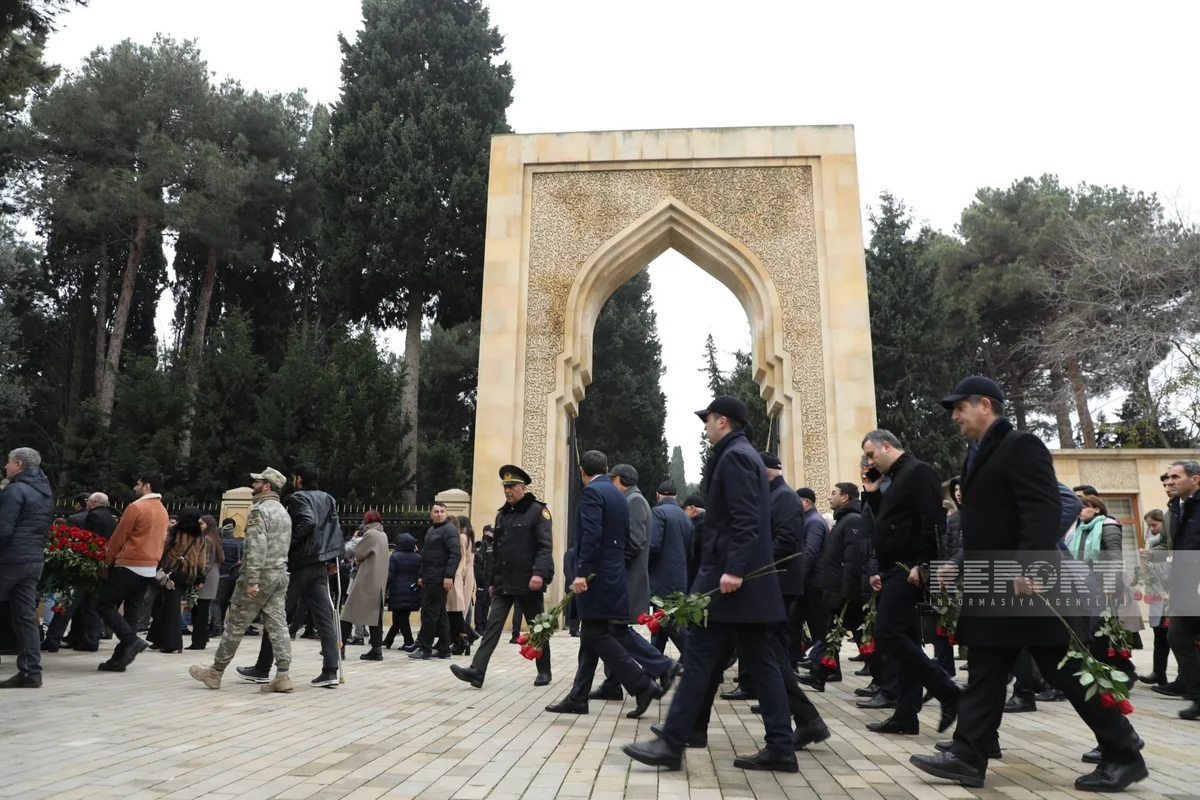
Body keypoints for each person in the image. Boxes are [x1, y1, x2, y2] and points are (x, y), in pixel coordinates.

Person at [908, 376, 1147, 792]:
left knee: (1065, 669)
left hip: (1024, 580)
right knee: (985, 666)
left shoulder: (1021, 445)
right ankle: (969, 754)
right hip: (992, 579)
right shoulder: (976, 453)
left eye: (960, 407)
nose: (954, 416)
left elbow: (1044, 507)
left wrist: (1033, 566)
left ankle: (1123, 752)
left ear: (985, 404)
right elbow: (988, 524)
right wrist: (961, 567)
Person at [624, 397, 800, 773]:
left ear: (724, 421)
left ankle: (672, 743)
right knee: (760, 662)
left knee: (701, 657)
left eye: (708, 420)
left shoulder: (735, 456)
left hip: (732, 583)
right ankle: (781, 746)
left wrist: (734, 569)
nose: (705, 426)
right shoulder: (744, 454)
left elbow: (745, 517)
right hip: (742, 585)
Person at [545, 450, 664, 717]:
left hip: (596, 576)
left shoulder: (592, 493)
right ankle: (578, 697)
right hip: (613, 573)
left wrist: (580, 573)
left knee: (598, 635)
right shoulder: (619, 495)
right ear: (606, 467)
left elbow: (591, 535)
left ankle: (642, 684)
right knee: (591, 634)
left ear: (581, 471)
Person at [860, 429, 959, 737]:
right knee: (904, 640)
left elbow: (932, 521)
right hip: (895, 569)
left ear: (886, 446)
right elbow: (892, 524)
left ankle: (949, 691)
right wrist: (873, 493)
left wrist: (925, 565)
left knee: (887, 635)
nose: (869, 461)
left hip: (908, 570)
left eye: (872, 454)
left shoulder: (919, 472)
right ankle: (906, 714)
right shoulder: (895, 479)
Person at [190, 468, 294, 693]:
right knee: (278, 625)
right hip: (279, 574)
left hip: (260, 574)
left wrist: (253, 579)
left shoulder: (259, 511)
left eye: (257, 482)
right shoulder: (284, 513)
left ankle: (215, 673)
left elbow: (257, 546)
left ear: (266, 486)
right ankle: (283, 675)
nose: (253, 485)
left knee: (236, 624)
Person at [242, 464, 343, 689]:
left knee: (275, 614)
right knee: (325, 619)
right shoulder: (328, 498)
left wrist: (289, 543)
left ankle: (262, 667)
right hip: (320, 564)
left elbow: (308, 522)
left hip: (300, 564)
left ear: (298, 479)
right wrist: (333, 556)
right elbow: (334, 528)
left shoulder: (298, 498)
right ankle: (330, 670)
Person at [451, 465, 553, 687]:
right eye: (505, 487)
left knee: (538, 627)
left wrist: (538, 574)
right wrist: (493, 581)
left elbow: (545, 547)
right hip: (505, 581)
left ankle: (544, 670)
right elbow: (497, 551)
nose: (508, 491)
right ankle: (477, 671)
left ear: (523, 488)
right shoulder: (502, 515)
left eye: (512, 486)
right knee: (493, 625)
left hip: (529, 581)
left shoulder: (538, 512)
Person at [588, 465, 681, 705]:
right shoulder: (629, 500)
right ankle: (612, 684)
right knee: (610, 629)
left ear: (619, 480)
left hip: (626, 579)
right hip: (622, 577)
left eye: (612, 481)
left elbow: (635, 543)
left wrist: (609, 562)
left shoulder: (635, 501)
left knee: (616, 629)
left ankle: (662, 666)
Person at [96, 472, 170, 673]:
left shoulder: (136, 507)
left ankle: (131, 640)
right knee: (132, 614)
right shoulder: (163, 511)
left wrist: (107, 560)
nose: (135, 488)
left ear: (147, 486)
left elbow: (120, 536)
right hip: (149, 568)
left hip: (129, 564)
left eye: (137, 484)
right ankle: (119, 660)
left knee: (104, 604)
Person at [0, 447, 54, 687]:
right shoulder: (44, 492)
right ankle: (32, 671)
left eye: (8, 462)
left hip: (10, 559)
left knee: (23, 617)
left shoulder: (14, 490)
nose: (5, 466)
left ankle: (30, 671)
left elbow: (3, 529)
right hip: (33, 561)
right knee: (26, 618)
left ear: (19, 465)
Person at [805, 481, 866, 692]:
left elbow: (852, 560)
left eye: (834, 493)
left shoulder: (852, 520)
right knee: (832, 633)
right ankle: (820, 674)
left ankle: (883, 681)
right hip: (836, 588)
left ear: (845, 497)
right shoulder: (843, 520)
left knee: (858, 635)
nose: (829, 497)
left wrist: (847, 592)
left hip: (845, 591)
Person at [43, 491, 117, 653]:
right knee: (91, 607)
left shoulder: (92, 517)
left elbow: (90, 540)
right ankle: (91, 640)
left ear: (92, 502)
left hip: (86, 567)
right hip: (102, 568)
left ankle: (53, 640)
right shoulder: (112, 520)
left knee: (67, 605)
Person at [1165, 459, 1200, 720]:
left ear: (1195, 479)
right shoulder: (1178, 508)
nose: (1170, 482)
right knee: (1177, 636)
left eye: (1176, 477)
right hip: (1185, 583)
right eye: (1169, 477)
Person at [147, 508, 207, 654]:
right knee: (169, 605)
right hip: (189, 575)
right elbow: (201, 559)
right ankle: (157, 638)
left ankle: (173, 643)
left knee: (172, 607)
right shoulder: (200, 536)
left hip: (172, 574)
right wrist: (200, 577)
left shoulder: (176, 532)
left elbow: (163, 548)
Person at [410, 501, 460, 660]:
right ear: (431, 514)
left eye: (442, 511)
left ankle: (425, 648)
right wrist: (421, 575)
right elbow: (426, 556)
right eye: (436, 511)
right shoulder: (431, 530)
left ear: (446, 513)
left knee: (429, 613)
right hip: (430, 577)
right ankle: (445, 649)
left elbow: (455, 554)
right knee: (440, 613)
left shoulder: (450, 530)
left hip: (440, 578)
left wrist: (448, 576)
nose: (439, 514)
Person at [649, 480, 693, 654]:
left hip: (661, 579)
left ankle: (699, 658)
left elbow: (653, 545)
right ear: (676, 496)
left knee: (668, 622)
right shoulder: (685, 517)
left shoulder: (658, 512)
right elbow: (690, 552)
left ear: (657, 495)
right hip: (680, 578)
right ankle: (656, 668)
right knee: (660, 625)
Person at [341, 510, 389, 661]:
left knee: (347, 614)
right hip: (378, 580)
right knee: (375, 617)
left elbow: (357, 552)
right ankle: (376, 649)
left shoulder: (371, 534)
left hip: (365, 580)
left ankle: (339, 648)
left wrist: (354, 541)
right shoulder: (383, 534)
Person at [1138, 508, 1171, 686]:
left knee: (1172, 634)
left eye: (1154, 525)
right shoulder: (1153, 542)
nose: (1152, 529)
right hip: (1157, 593)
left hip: (1169, 592)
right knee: (1159, 633)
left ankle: (1185, 677)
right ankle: (1159, 672)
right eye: (1149, 526)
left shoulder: (1168, 542)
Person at [187, 514, 223, 650]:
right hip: (212, 575)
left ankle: (198, 641)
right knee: (202, 608)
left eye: (201, 524)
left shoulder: (206, 539)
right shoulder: (215, 538)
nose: (199, 526)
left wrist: (199, 577)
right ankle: (202, 638)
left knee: (199, 611)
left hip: (205, 577)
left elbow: (204, 562)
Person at [384, 533, 421, 650]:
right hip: (413, 590)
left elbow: (390, 575)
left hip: (398, 591)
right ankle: (388, 640)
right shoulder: (418, 557)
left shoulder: (395, 556)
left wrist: (385, 589)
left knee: (401, 616)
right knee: (402, 616)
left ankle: (409, 641)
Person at [446, 515, 477, 655]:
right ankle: (467, 636)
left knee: (458, 607)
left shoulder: (462, 538)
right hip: (469, 571)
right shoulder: (470, 538)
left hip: (462, 571)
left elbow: (460, 557)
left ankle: (466, 634)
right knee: (464, 606)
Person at [210, 519, 242, 636]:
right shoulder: (239, 543)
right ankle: (233, 628)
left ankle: (217, 627)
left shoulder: (218, 543)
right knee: (232, 602)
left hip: (221, 575)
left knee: (216, 602)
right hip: (234, 576)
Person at [474, 525, 494, 635]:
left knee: (487, 602)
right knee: (481, 602)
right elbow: (477, 563)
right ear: (485, 532)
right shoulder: (481, 544)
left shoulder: (493, 544)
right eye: (491, 532)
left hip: (490, 579)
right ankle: (479, 626)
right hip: (483, 579)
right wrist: (480, 577)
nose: (493, 533)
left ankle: (485, 624)